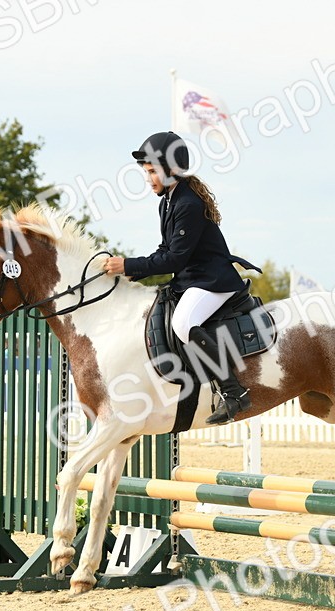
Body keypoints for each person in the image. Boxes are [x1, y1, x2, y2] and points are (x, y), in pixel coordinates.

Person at [101, 131, 255, 424]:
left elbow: (175, 259)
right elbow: (166, 249)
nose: (149, 179)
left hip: (212, 281)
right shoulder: (168, 201)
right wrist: (134, 270)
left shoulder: (188, 204)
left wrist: (128, 264)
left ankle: (234, 392)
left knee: (183, 323)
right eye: (146, 173)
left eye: (152, 172)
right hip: (192, 279)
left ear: (171, 170)